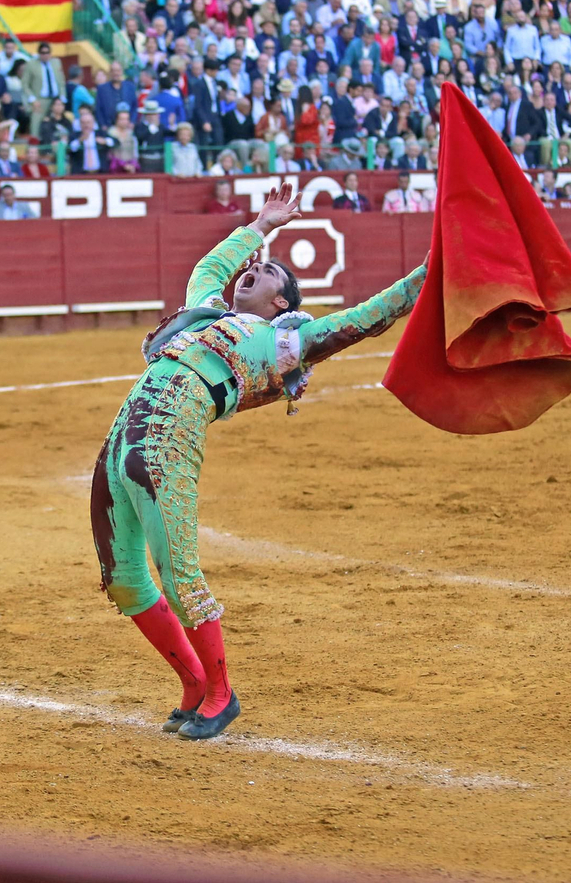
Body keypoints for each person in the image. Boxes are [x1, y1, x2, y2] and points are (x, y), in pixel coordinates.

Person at [90, 184, 429, 740]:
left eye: (268, 272)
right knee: (123, 580)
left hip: (170, 436)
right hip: (122, 434)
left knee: (179, 575)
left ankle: (222, 696)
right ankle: (194, 684)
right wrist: (262, 226)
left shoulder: (282, 341)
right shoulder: (203, 313)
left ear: (281, 304)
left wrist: (427, 274)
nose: (253, 269)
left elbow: (370, 315)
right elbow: (210, 266)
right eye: (254, 266)